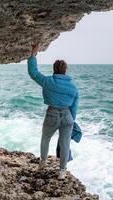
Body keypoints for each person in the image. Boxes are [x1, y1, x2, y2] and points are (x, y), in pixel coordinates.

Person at [27, 43, 79, 179]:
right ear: (65, 70)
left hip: (52, 114)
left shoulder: (48, 82)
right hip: (67, 116)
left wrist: (33, 55)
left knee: (45, 139)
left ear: (54, 69)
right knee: (65, 143)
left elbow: (33, 73)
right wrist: (72, 121)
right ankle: (62, 171)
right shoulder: (73, 87)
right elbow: (74, 107)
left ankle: (42, 164)